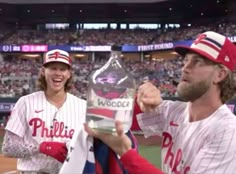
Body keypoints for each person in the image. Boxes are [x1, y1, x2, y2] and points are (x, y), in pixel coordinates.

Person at [85, 31, 236, 174]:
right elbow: (114, 114)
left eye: (197, 62)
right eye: (186, 60)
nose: (185, 68)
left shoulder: (228, 132)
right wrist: (142, 94)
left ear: (220, 74)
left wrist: (125, 152)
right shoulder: (174, 111)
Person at [1, 49, 88, 174]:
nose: (57, 73)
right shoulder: (25, 103)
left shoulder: (82, 106)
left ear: (69, 74)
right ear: (43, 71)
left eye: (62, 69)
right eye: (52, 68)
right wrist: (41, 147)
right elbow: (8, 147)